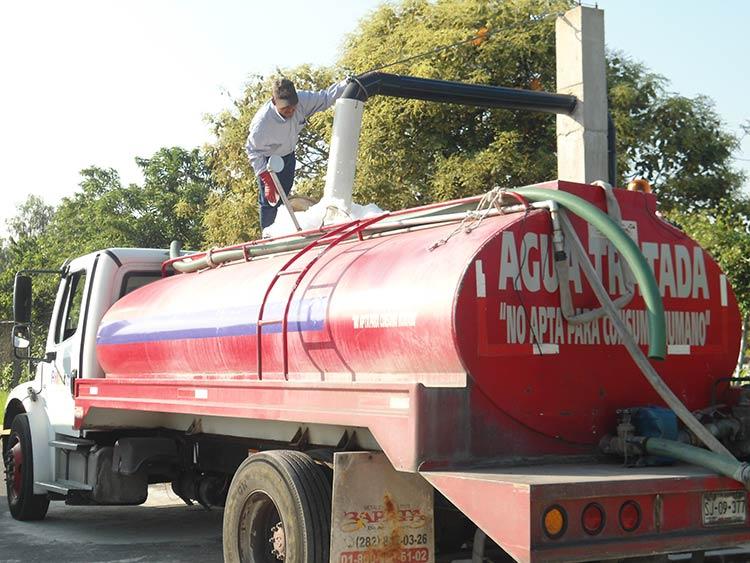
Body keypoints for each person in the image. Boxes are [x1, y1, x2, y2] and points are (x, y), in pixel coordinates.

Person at [246, 77, 349, 230]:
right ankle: (267, 236)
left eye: (293, 107)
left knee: (284, 198)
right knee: (270, 202)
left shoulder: (303, 100)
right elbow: (252, 150)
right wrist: (265, 177)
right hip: (268, 161)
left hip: (288, 155)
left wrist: (347, 83)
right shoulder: (262, 123)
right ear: (274, 102)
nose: (290, 111)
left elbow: (326, 97)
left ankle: (282, 229)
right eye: (285, 109)